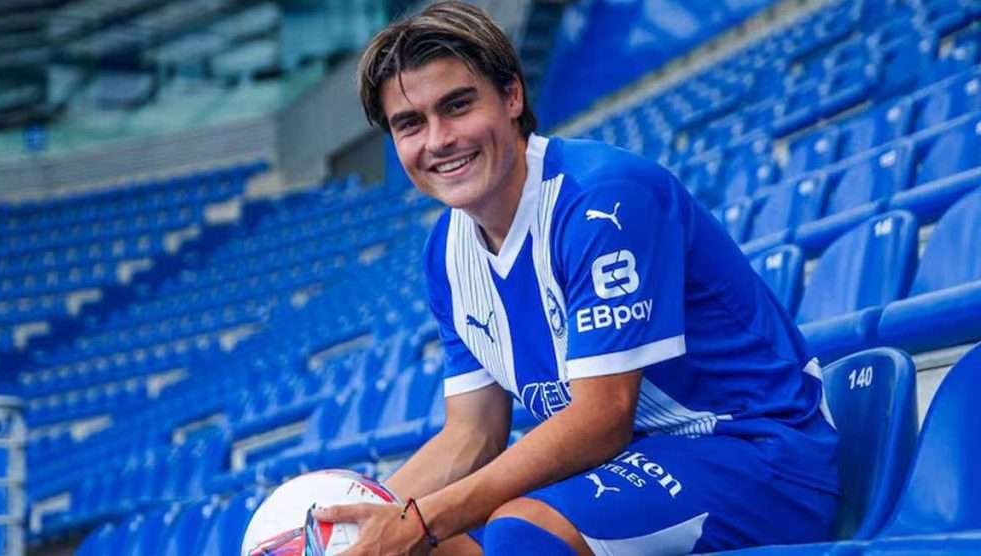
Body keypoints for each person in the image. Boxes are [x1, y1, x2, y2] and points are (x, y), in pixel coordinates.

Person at [313, 2, 839, 554]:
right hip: (634, 463)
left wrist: (420, 519)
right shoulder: (446, 252)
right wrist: (353, 526)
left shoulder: (603, 199)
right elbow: (472, 433)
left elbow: (601, 419)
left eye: (458, 105)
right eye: (410, 124)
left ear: (512, 97)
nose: (439, 139)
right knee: (428, 547)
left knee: (519, 529)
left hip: (758, 454)